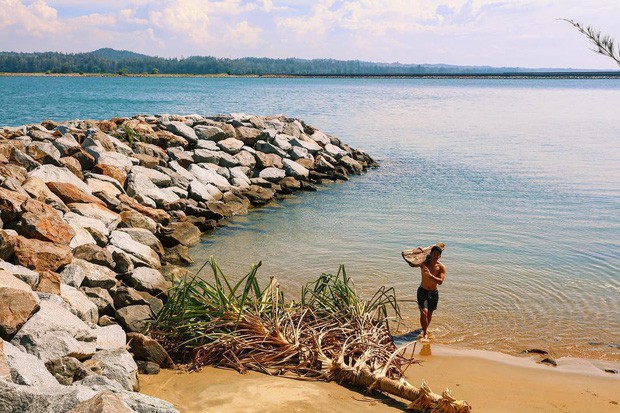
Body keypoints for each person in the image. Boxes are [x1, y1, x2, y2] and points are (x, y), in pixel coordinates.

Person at [416, 245, 445, 340]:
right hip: (422, 291)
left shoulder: (441, 267)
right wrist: (421, 250)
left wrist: (430, 275)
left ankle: (424, 328)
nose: (435, 256)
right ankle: (425, 333)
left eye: (438, 254)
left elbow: (440, 282)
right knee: (424, 312)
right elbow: (412, 262)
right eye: (434, 254)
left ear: (440, 256)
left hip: (433, 293)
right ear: (431, 254)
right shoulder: (424, 264)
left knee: (429, 314)